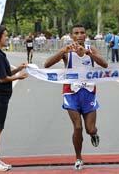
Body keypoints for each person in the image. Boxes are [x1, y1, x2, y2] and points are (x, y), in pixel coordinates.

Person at [44, 24, 108, 170]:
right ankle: (78, 158)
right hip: (71, 92)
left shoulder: (91, 50)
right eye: (76, 33)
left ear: (86, 35)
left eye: (82, 32)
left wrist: (89, 53)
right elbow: (47, 64)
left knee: (90, 129)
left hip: (89, 92)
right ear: (72, 36)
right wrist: (62, 51)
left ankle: (94, 134)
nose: (79, 35)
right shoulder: (67, 51)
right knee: (77, 127)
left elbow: (104, 64)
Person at [0, 25, 28, 171]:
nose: (7, 38)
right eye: (5, 35)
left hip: (0, 96)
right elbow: (3, 78)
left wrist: (18, 69)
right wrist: (18, 77)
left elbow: (5, 71)